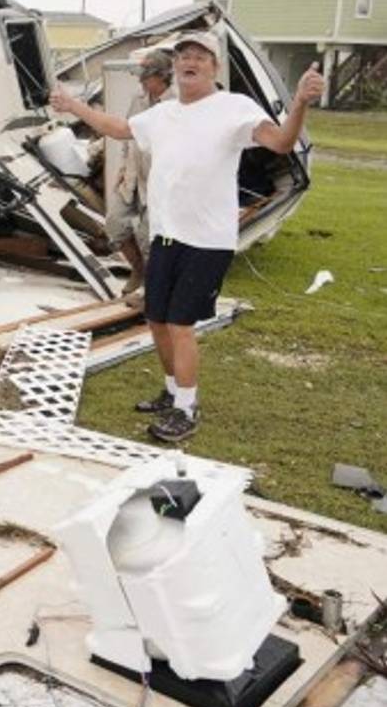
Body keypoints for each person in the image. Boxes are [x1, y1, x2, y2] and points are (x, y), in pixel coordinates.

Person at [49, 31, 325, 442]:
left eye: (199, 55)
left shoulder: (234, 108)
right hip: (165, 235)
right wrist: (73, 106)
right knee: (157, 319)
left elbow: (282, 143)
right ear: (174, 66)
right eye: (182, 56)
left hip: (207, 240)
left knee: (180, 323)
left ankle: (187, 409)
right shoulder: (163, 113)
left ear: (214, 67)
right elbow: (120, 128)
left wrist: (300, 103)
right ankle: (173, 390)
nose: (188, 61)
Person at [108, 50, 175, 296]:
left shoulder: (176, 104)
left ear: (162, 76)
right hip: (133, 175)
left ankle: (153, 290)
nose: (141, 81)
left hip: (158, 180)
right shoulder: (138, 98)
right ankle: (139, 270)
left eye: (146, 77)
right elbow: (127, 133)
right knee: (115, 225)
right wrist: (123, 166)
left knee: (150, 238)